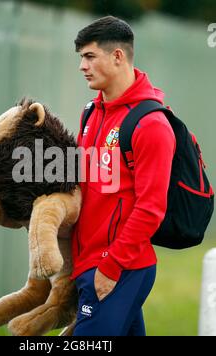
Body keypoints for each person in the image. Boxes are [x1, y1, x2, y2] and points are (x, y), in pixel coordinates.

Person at [71, 16, 176, 336]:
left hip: (120, 267)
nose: (82, 66)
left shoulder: (151, 125)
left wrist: (111, 267)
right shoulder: (91, 111)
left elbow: (151, 208)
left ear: (117, 56)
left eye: (89, 56)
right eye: (81, 58)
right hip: (88, 263)